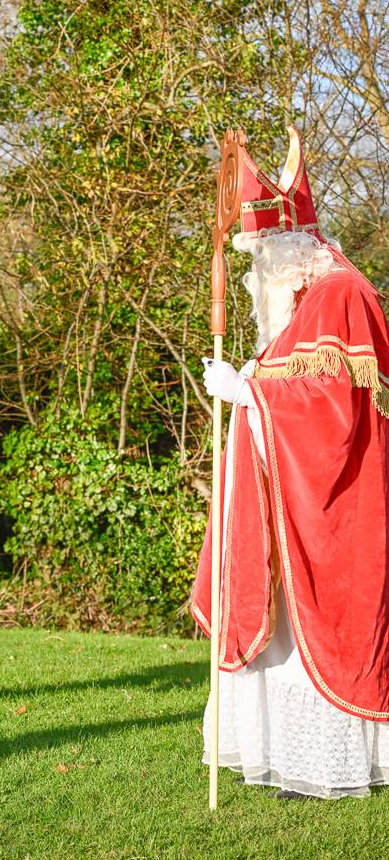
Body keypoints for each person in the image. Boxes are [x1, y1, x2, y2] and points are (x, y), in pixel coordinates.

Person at [192, 126, 389, 799]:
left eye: (257, 259)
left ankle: (327, 766)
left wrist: (249, 391)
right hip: (281, 506)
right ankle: (286, 755)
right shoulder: (307, 298)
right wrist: (254, 377)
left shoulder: (341, 295)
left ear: (287, 249)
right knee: (277, 634)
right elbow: (296, 376)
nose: (252, 277)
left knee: (322, 629)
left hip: (330, 511)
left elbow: (334, 414)